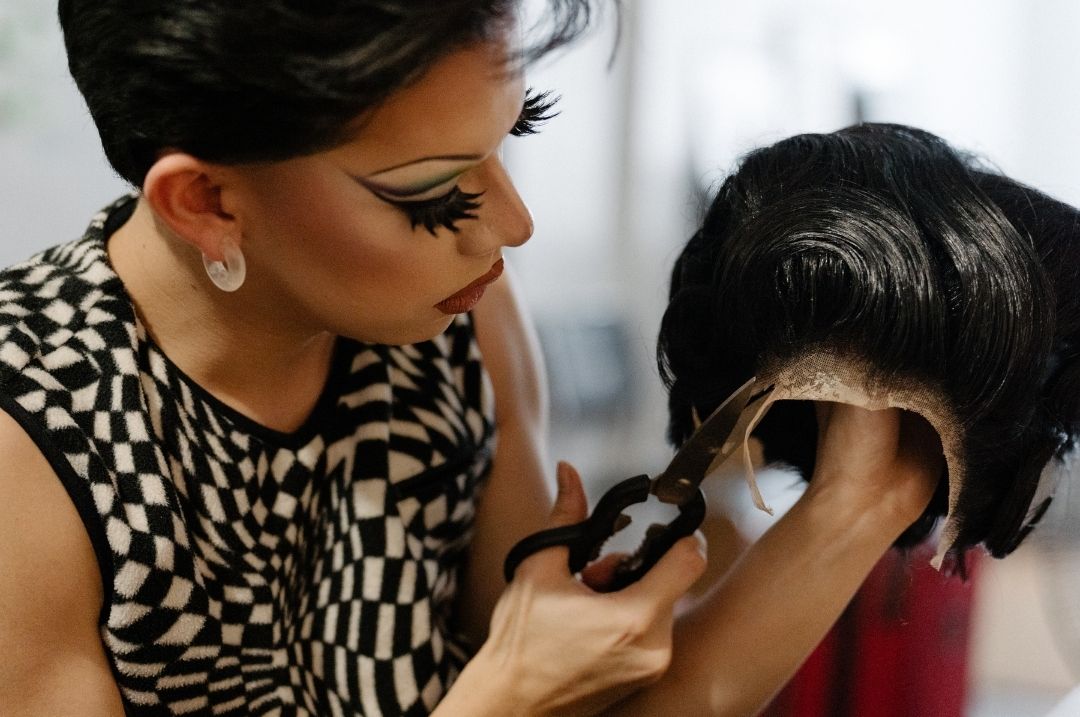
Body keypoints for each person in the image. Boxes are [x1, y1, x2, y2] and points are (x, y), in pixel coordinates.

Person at [0, 2, 940, 715]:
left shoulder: (459, 329)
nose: (512, 227)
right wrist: (501, 695)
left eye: (509, 137)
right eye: (437, 193)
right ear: (205, 200)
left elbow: (599, 705)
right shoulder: (29, 444)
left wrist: (859, 502)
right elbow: (526, 692)